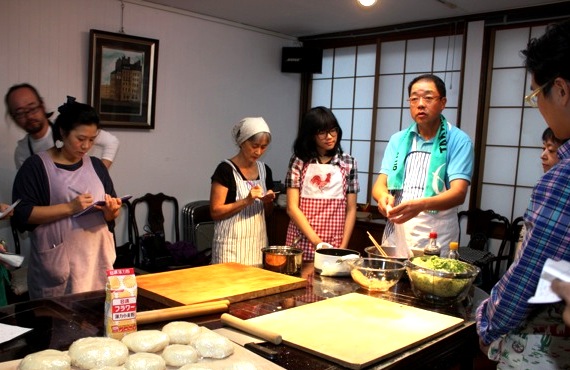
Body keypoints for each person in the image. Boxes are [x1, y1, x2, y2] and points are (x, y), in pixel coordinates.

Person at [476, 19, 570, 369]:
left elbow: (529, 277)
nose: (539, 107)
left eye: (535, 95)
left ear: (560, 89)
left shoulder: (563, 178)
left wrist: (487, 320)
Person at [11, 97, 123, 300]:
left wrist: (111, 212)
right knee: (57, 326)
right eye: (81, 139)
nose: (86, 146)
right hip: (58, 267)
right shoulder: (36, 167)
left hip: (96, 261)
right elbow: (22, 214)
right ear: (63, 132)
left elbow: (111, 210)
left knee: (96, 322)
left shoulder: (96, 166)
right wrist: (70, 207)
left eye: (92, 139)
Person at [372, 74, 474, 257]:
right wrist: (382, 198)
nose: (420, 104)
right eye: (414, 98)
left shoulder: (458, 140)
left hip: (436, 236)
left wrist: (421, 204)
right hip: (397, 232)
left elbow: (459, 193)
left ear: (443, 102)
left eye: (428, 98)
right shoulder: (399, 139)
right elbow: (380, 184)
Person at [285, 106, 359, 261]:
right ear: (311, 135)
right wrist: (317, 243)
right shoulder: (299, 160)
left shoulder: (348, 162)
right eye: (322, 132)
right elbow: (292, 207)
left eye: (333, 130)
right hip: (302, 242)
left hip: (335, 244)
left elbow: (351, 209)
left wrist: (342, 248)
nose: (330, 136)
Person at [5, 83, 120, 169]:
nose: (29, 116)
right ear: (13, 117)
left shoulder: (69, 127)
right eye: (20, 113)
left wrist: (99, 173)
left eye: (32, 108)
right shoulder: (22, 152)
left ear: (42, 105)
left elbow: (112, 142)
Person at [210, 117, 276, 266]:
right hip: (229, 246)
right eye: (255, 145)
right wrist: (246, 201)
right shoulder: (226, 170)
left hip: (256, 245)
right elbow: (215, 212)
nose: (258, 151)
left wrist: (268, 202)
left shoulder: (265, 171)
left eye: (264, 147)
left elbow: (268, 213)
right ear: (242, 142)